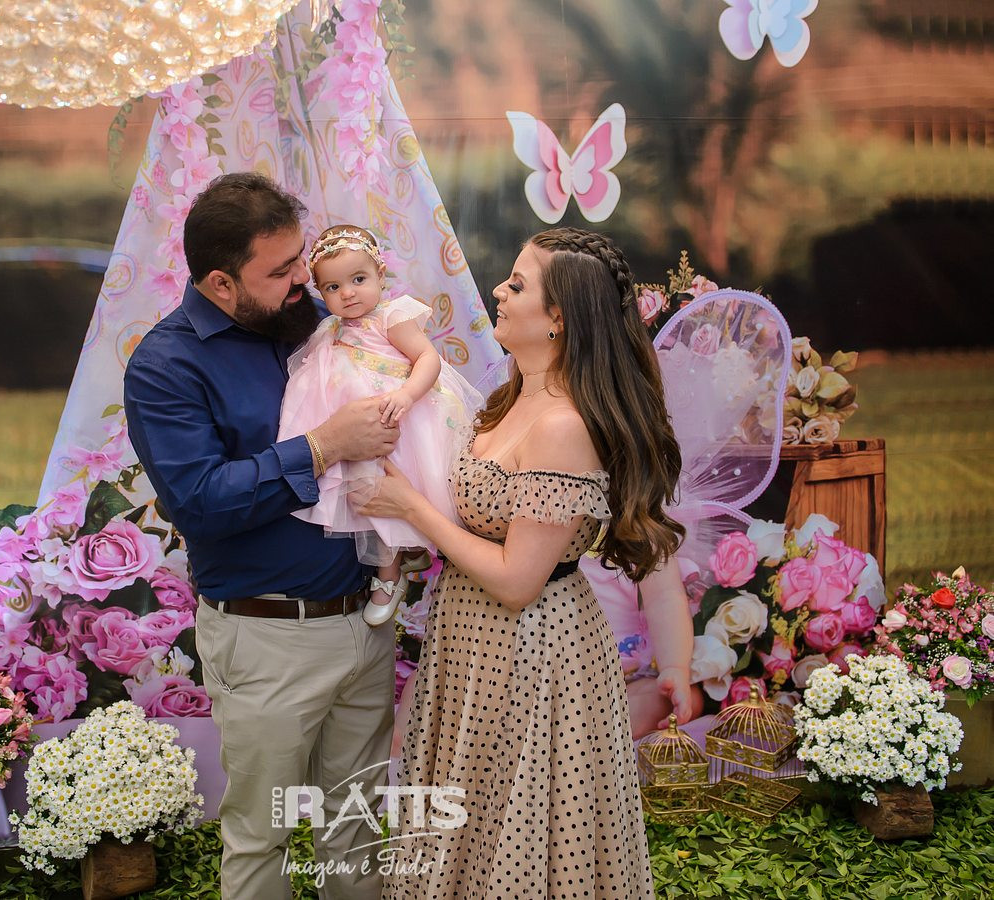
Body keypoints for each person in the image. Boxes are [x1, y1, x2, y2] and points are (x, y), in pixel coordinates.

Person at [358, 227, 690, 898]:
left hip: (531, 653)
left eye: (516, 284)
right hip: (470, 639)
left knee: (516, 831)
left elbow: (517, 580)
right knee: (467, 823)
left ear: (559, 316)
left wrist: (411, 508)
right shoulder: (513, 397)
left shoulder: (563, 424)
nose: (499, 292)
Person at [123, 172, 397, 900]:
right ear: (220, 282)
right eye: (280, 271)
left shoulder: (317, 319)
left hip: (365, 622)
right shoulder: (166, 365)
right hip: (267, 637)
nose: (304, 279)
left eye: (300, 258)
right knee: (260, 837)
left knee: (358, 830)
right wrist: (322, 447)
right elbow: (200, 502)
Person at [277, 224, 482, 626]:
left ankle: (388, 575)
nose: (348, 293)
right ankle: (403, 557)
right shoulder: (329, 329)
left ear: (380, 275)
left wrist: (406, 395)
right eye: (333, 287)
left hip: (399, 420)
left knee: (388, 489)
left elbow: (428, 359)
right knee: (363, 499)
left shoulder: (392, 317)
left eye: (358, 279)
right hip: (356, 430)